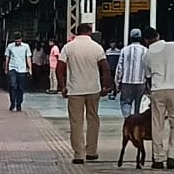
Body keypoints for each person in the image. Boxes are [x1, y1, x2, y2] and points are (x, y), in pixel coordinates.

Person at [57, 22, 112, 164]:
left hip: (75, 90)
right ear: (89, 32)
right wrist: (106, 86)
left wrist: (62, 87)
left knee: (76, 122)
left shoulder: (68, 47)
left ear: (76, 32)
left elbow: (60, 68)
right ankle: (91, 151)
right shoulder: (97, 47)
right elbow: (105, 68)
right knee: (93, 119)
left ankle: (79, 155)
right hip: (93, 89)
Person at [144, 27, 174, 170]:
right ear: (158, 35)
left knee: (157, 124)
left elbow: (147, 76)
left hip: (157, 90)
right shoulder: (173, 46)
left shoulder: (147, 55)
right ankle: (171, 156)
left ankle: (158, 158)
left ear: (146, 40)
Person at [114, 28, 149, 118]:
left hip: (126, 82)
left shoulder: (124, 50)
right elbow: (148, 68)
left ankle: (128, 120)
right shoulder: (146, 50)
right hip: (141, 81)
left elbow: (119, 68)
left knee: (126, 103)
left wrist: (117, 83)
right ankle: (136, 123)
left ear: (131, 38)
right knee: (139, 104)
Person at [3, 32, 32, 111]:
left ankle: (19, 104)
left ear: (21, 39)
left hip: (22, 69)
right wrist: (6, 68)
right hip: (12, 68)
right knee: (13, 85)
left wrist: (30, 69)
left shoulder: (26, 46)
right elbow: (7, 58)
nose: (17, 42)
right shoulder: (10, 46)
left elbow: (28, 58)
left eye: (19, 41)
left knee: (21, 88)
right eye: (16, 41)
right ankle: (12, 102)